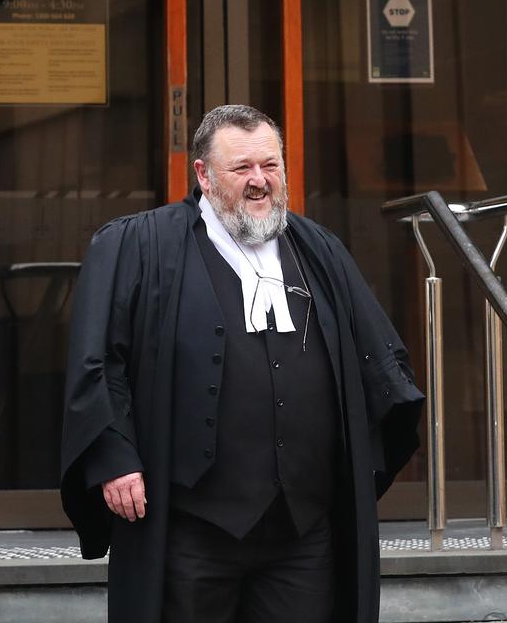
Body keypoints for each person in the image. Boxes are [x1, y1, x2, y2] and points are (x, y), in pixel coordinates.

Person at [60, 104, 424, 623]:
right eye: (242, 168)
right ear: (203, 175)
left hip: (302, 531)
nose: (260, 182)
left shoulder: (318, 249)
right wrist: (113, 456)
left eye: (270, 166)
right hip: (190, 524)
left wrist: (362, 459)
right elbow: (98, 361)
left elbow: (377, 360)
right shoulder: (138, 244)